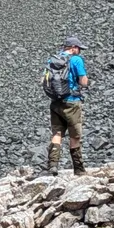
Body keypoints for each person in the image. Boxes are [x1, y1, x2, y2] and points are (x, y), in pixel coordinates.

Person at [42, 34, 88, 174]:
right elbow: (83, 82)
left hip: (55, 102)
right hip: (72, 102)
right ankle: (79, 169)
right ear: (73, 48)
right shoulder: (76, 59)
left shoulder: (52, 60)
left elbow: (43, 80)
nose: (79, 51)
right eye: (79, 48)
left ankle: (53, 165)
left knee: (57, 133)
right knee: (75, 136)